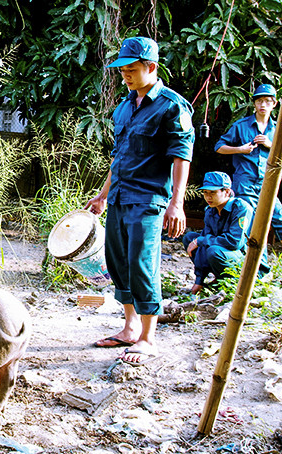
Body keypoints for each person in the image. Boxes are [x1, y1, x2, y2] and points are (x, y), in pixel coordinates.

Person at [85, 37, 195, 366]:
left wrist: (177, 204)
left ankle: (148, 338)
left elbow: (181, 157)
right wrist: (103, 195)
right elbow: (118, 157)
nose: (126, 76)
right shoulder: (124, 106)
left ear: (152, 68)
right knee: (118, 262)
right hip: (119, 197)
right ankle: (130, 328)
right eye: (122, 71)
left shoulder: (172, 106)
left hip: (147, 201)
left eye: (132, 70)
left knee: (142, 263)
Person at [214, 84, 282, 240]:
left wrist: (271, 145)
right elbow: (219, 147)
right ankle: (250, 263)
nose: (263, 105)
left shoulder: (278, 130)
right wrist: (240, 149)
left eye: (267, 101)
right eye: (259, 101)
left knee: (279, 219)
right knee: (248, 225)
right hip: (245, 184)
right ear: (254, 103)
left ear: (274, 104)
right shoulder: (241, 125)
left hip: (268, 183)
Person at [182, 172, 253, 294]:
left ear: (226, 192)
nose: (208, 197)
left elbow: (234, 241)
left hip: (243, 257)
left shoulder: (241, 208)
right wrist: (199, 280)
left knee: (212, 250)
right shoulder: (210, 210)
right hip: (220, 251)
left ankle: (231, 283)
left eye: (213, 192)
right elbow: (205, 240)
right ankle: (214, 279)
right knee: (190, 238)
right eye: (205, 193)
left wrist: (202, 241)